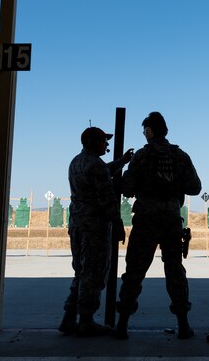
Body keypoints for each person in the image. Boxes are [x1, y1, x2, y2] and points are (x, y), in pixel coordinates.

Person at [115, 112, 202, 340]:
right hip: (171, 219)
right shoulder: (180, 156)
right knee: (174, 269)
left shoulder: (142, 156)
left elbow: (127, 189)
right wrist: (174, 183)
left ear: (151, 131)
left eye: (145, 130)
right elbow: (195, 187)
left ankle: (122, 324)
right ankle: (183, 325)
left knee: (134, 270)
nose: (144, 134)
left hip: (146, 219)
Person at [59, 126, 133, 337]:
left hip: (77, 225)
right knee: (94, 273)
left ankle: (69, 316)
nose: (106, 144)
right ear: (93, 143)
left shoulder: (76, 162)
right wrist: (118, 224)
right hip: (94, 228)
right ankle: (86, 321)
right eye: (103, 141)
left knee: (81, 272)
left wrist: (121, 161)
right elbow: (107, 199)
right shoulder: (96, 165)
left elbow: (102, 172)